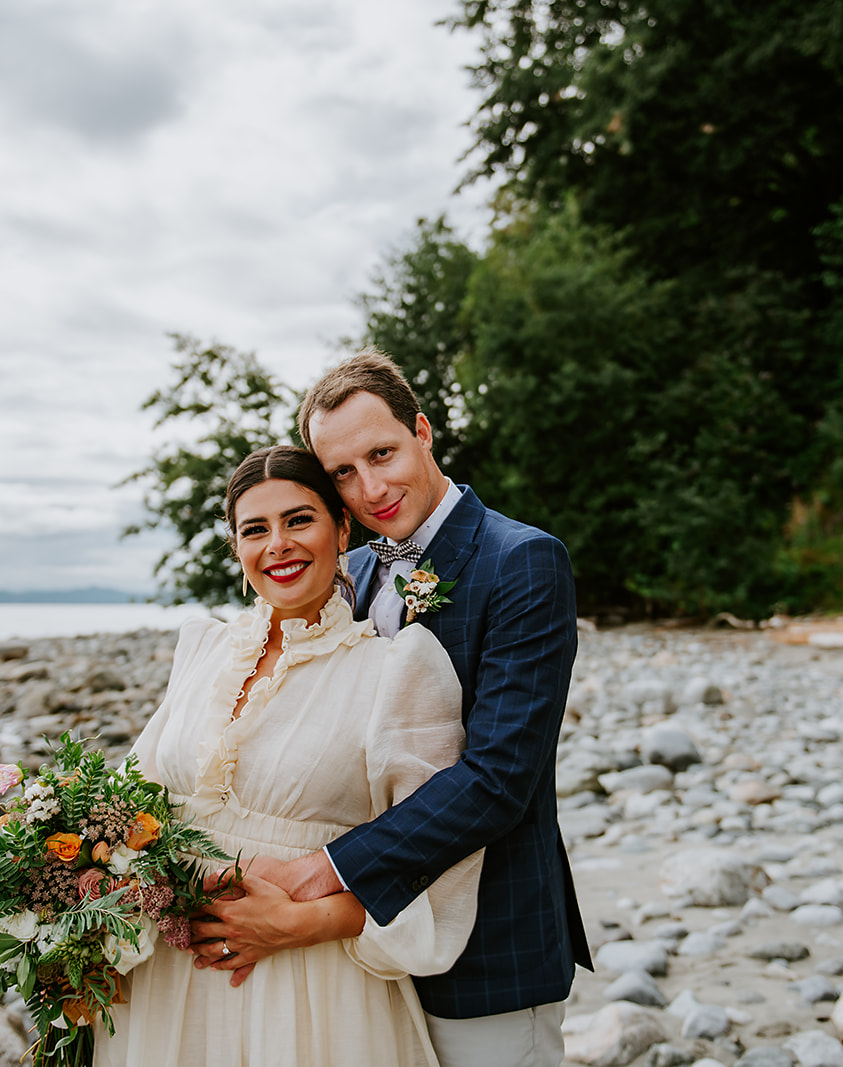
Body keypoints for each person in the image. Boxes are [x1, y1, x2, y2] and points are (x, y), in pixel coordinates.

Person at [189, 350, 591, 1067]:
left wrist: (319, 872)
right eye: (342, 472)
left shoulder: (521, 561)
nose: (370, 487)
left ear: (424, 431)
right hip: (367, 951)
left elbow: (499, 778)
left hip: (487, 946)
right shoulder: (360, 569)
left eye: (382, 453)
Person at [94, 444, 483, 1067]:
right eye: (255, 529)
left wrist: (307, 923)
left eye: (299, 520)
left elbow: (442, 853)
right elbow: (126, 804)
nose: (278, 544)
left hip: (309, 988)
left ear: (342, 528)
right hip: (164, 975)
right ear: (237, 547)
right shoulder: (201, 652)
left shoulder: (396, 668)